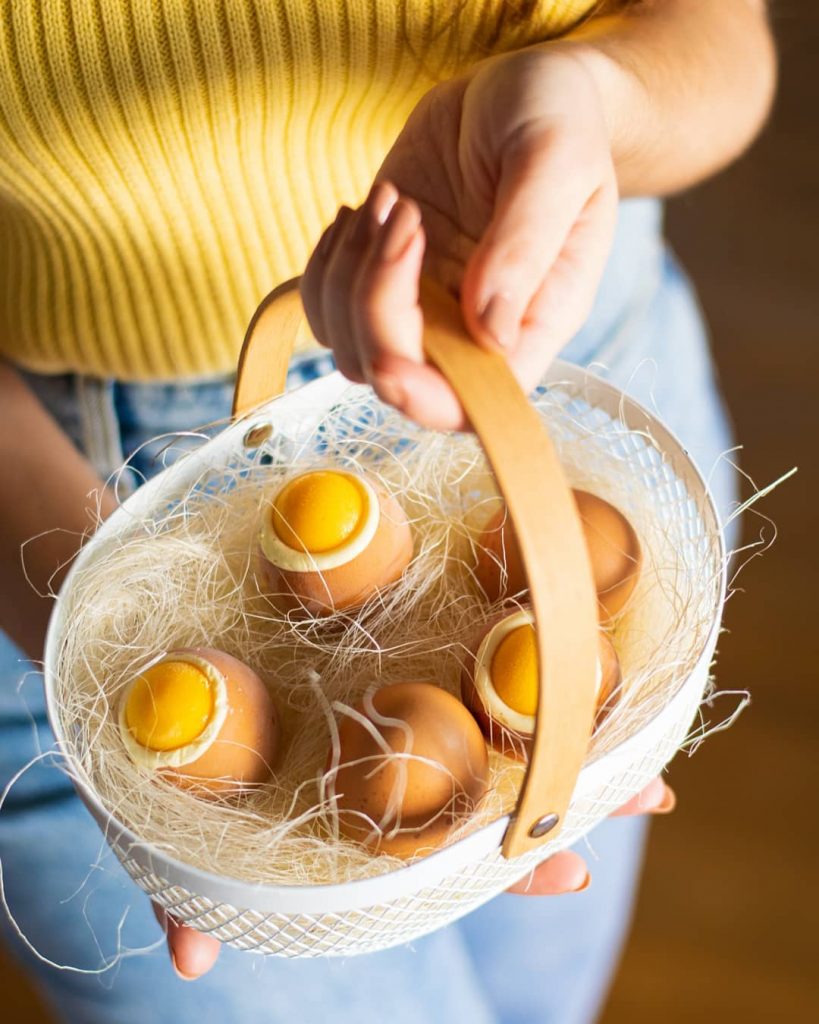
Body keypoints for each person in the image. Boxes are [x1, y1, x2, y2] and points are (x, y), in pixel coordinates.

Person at [0, 2, 774, 1022]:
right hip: (80, 482)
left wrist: (595, 98)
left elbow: (723, 40)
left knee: (545, 997)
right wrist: (92, 612)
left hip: (563, 359)